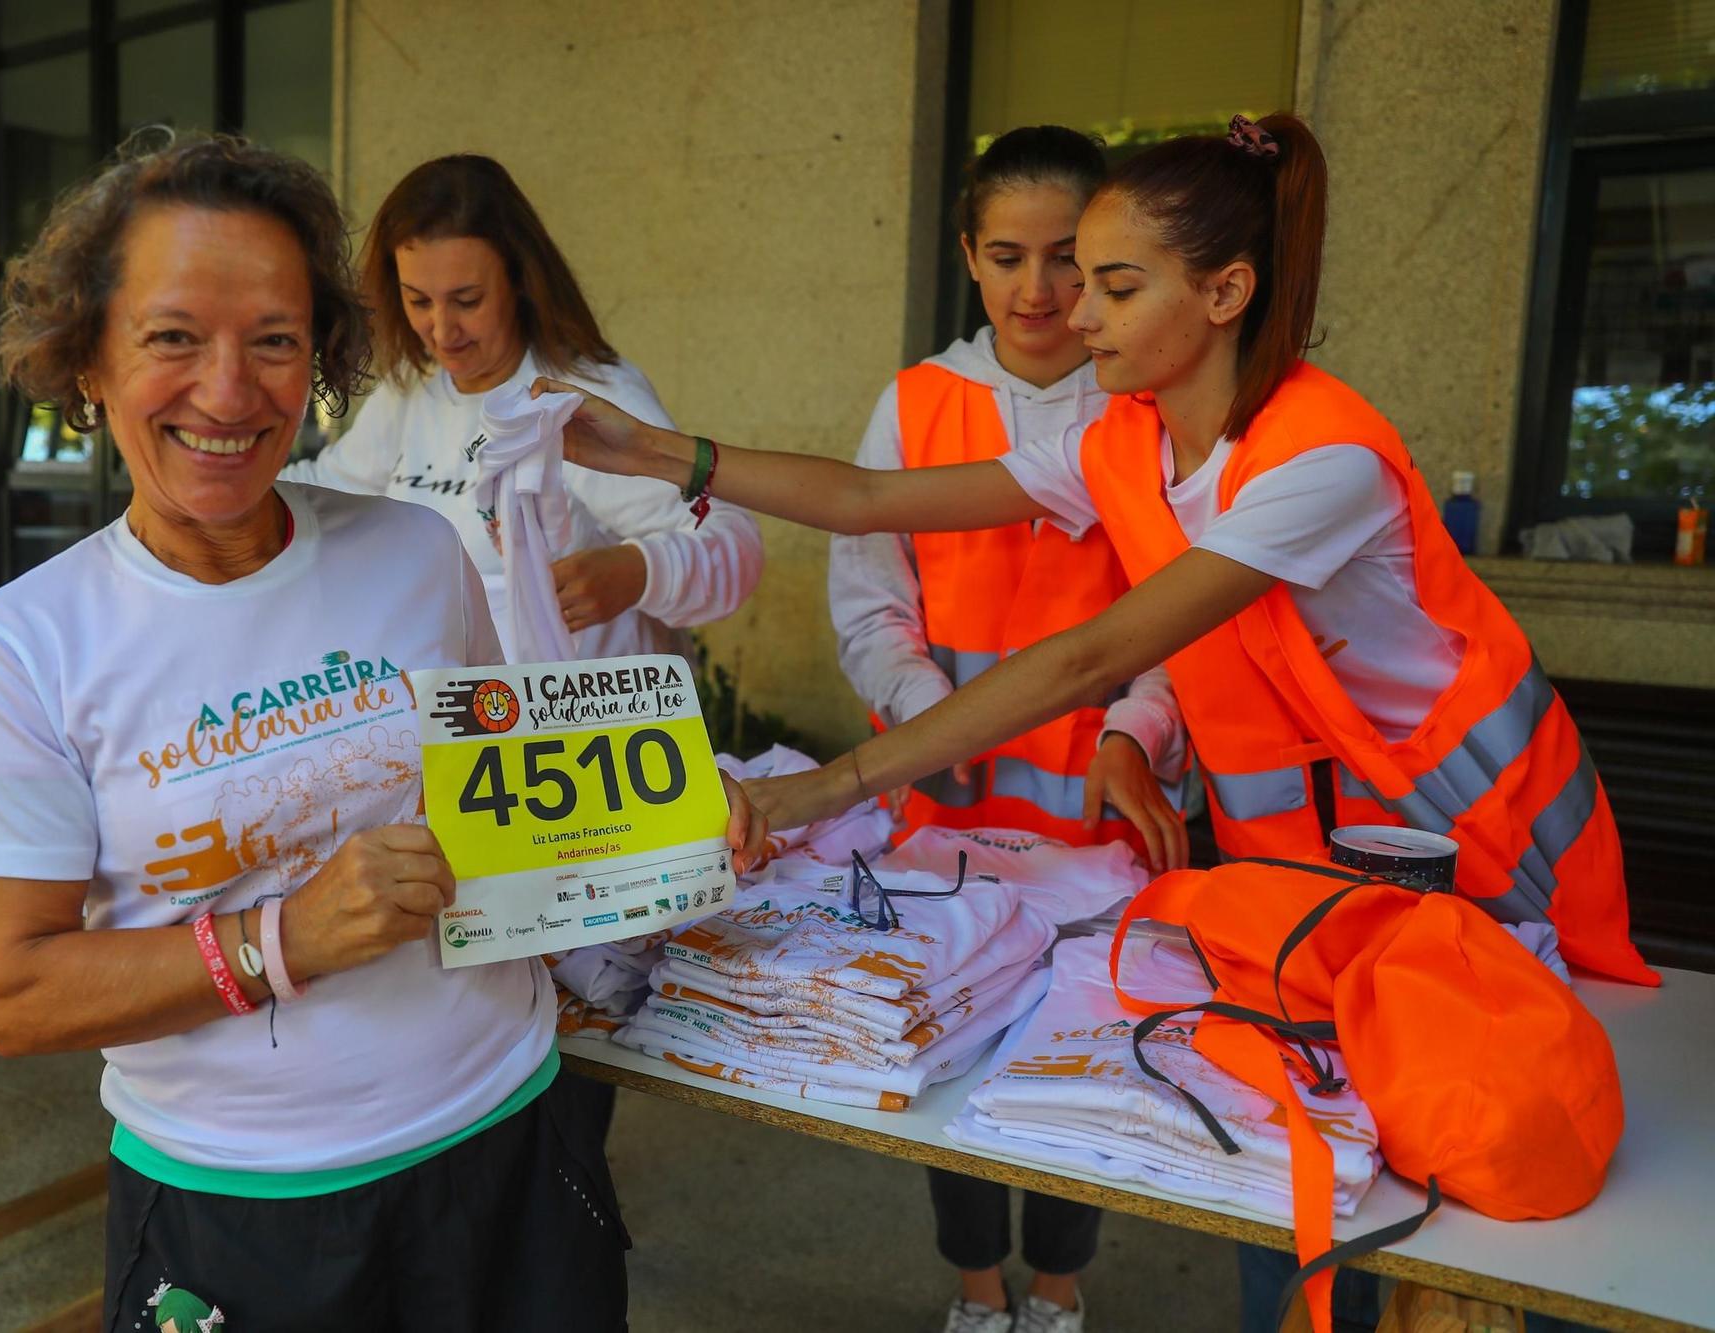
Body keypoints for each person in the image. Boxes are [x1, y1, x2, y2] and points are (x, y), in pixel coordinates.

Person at [535, 111, 1652, 1331]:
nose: (1075, 313)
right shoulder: (1118, 437)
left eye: (1111, 284)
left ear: (1225, 291)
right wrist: (658, 452)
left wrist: (821, 787)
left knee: (1485, 1195)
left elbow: (1091, 658)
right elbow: (865, 502)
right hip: (1305, 874)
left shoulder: (1314, 460)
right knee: (1300, 1167)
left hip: (1480, 860)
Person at [0, 133, 764, 1331]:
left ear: (317, 358)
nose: (228, 391)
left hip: (512, 1156)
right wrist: (283, 939)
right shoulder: (26, 645)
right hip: (246, 1213)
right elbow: (13, 994)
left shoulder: (411, 553)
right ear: (88, 361)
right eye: (172, 338)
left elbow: (508, 806)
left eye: (273, 340)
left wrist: (659, 824)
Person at [830, 125, 1187, 1333]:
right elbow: (870, 599)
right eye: (1004, 256)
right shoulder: (918, 402)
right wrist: (929, 715)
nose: (1037, 291)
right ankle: (978, 1292)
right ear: (967, 260)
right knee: (956, 1053)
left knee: (1089, 1054)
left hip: (1100, 814)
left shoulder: (1145, 403)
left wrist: (1132, 728)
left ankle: (1060, 1289)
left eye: (1063, 260)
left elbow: (1187, 624)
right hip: (950, 809)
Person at [281, 153, 762, 661]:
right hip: (456, 718)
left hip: (580, 725)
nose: (443, 331)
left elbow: (732, 542)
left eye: (467, 301)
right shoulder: (410, 393)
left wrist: (640, 571)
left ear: (519, 280)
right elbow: (332, 490)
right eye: (418, 301)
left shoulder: (581, 397)